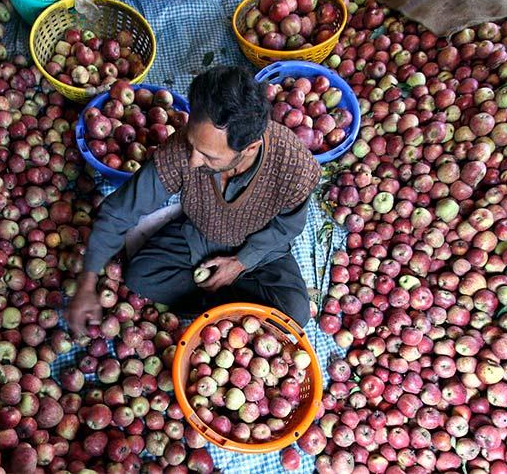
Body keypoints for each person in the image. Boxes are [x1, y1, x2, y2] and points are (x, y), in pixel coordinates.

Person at [66, 66, 321, 335]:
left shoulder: (292, 163)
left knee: (294, 313)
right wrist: (87, 280)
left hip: (260, 250)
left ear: (250, 148)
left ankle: (222, 308)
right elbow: (121, 210)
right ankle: (231, 311)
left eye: (209, 157)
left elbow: (288, 226)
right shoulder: (182, 150)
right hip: (201, 234)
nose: (193, 160)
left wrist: (242, 261)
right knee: (140, 275)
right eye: (192, 145)